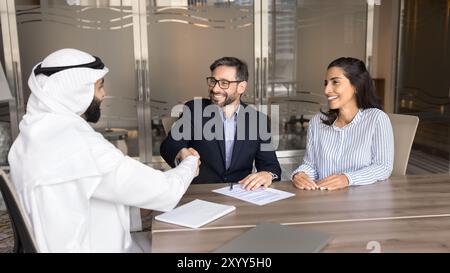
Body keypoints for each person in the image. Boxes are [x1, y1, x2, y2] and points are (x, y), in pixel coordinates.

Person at [7, 48, 200, 252]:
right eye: (99, 87)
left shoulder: (28, 137)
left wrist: (137, 211)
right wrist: (189, 163)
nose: (104, 94)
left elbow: (71, 203)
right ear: (77, 92)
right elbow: (166, 190)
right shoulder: (80, 145)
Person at [160, 57, 281, 191]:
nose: (215, 88)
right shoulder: (195, 109)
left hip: (240, 194)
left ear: (241, 87)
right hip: (200, 194)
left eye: (224, 83)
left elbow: (271, 166)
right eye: (213, 81)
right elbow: (169, 144)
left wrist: (267, 174)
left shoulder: (259, 121)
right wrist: (181, 152)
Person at [291, 57, 394, 191]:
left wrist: (347, 179)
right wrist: (300, 174)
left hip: (363, 203)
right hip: (324, 201)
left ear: (356, 85)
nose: (327, 90)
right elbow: (311, 166)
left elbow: (383, 167)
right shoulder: (317, 122)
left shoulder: (377, 119)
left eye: (335, 82)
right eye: (326, 83)